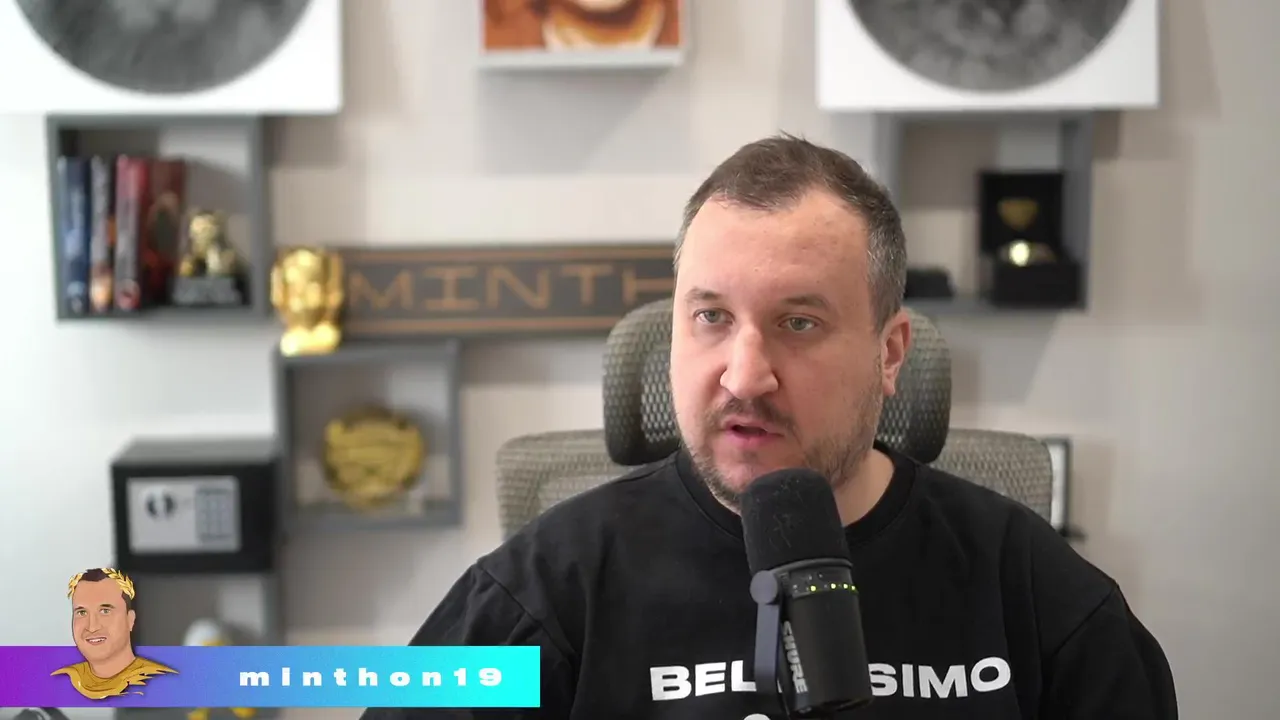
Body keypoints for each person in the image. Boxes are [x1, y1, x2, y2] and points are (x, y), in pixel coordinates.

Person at [361, 135, 1177, 719]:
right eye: (711, 317)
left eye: (799, 323)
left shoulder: (1031, 592)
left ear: (890, 353)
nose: (744, 375)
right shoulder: (545, 591)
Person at [52, 567, 176, 699]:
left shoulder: (164, 684)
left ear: (130, 620)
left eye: (105, 611)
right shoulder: (58, 681)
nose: (92, 627)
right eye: (82, 612)